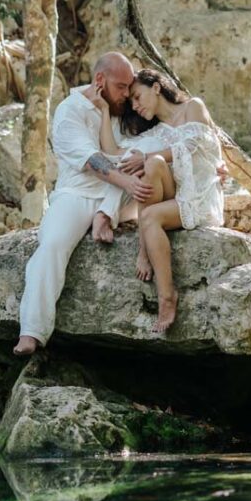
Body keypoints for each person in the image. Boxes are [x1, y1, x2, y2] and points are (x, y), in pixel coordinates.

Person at [13, 52, 155, 357]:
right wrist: (126, 179)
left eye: (129, 87)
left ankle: (105, 216)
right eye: (121, 86)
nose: (127, 94)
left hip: (121, 197)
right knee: (52, 244)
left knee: (151, 167)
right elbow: (91, 161)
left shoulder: (125, 110)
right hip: (78, 194)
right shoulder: (69, 111)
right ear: (100, 80)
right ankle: (31, 331)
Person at [92, 67, 226, 333]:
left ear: (156, 87)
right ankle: (162, 284)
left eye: (138, 96)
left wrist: (224, 167)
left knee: (152, 164)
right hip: (176, 195)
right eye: (131, 102)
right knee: (151, 164)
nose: (135, 105)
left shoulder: (193, 107)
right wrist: (105, 111)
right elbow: (114, 152)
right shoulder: (157, 132)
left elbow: (197, 145)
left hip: (200, 195)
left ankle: (158, 279)